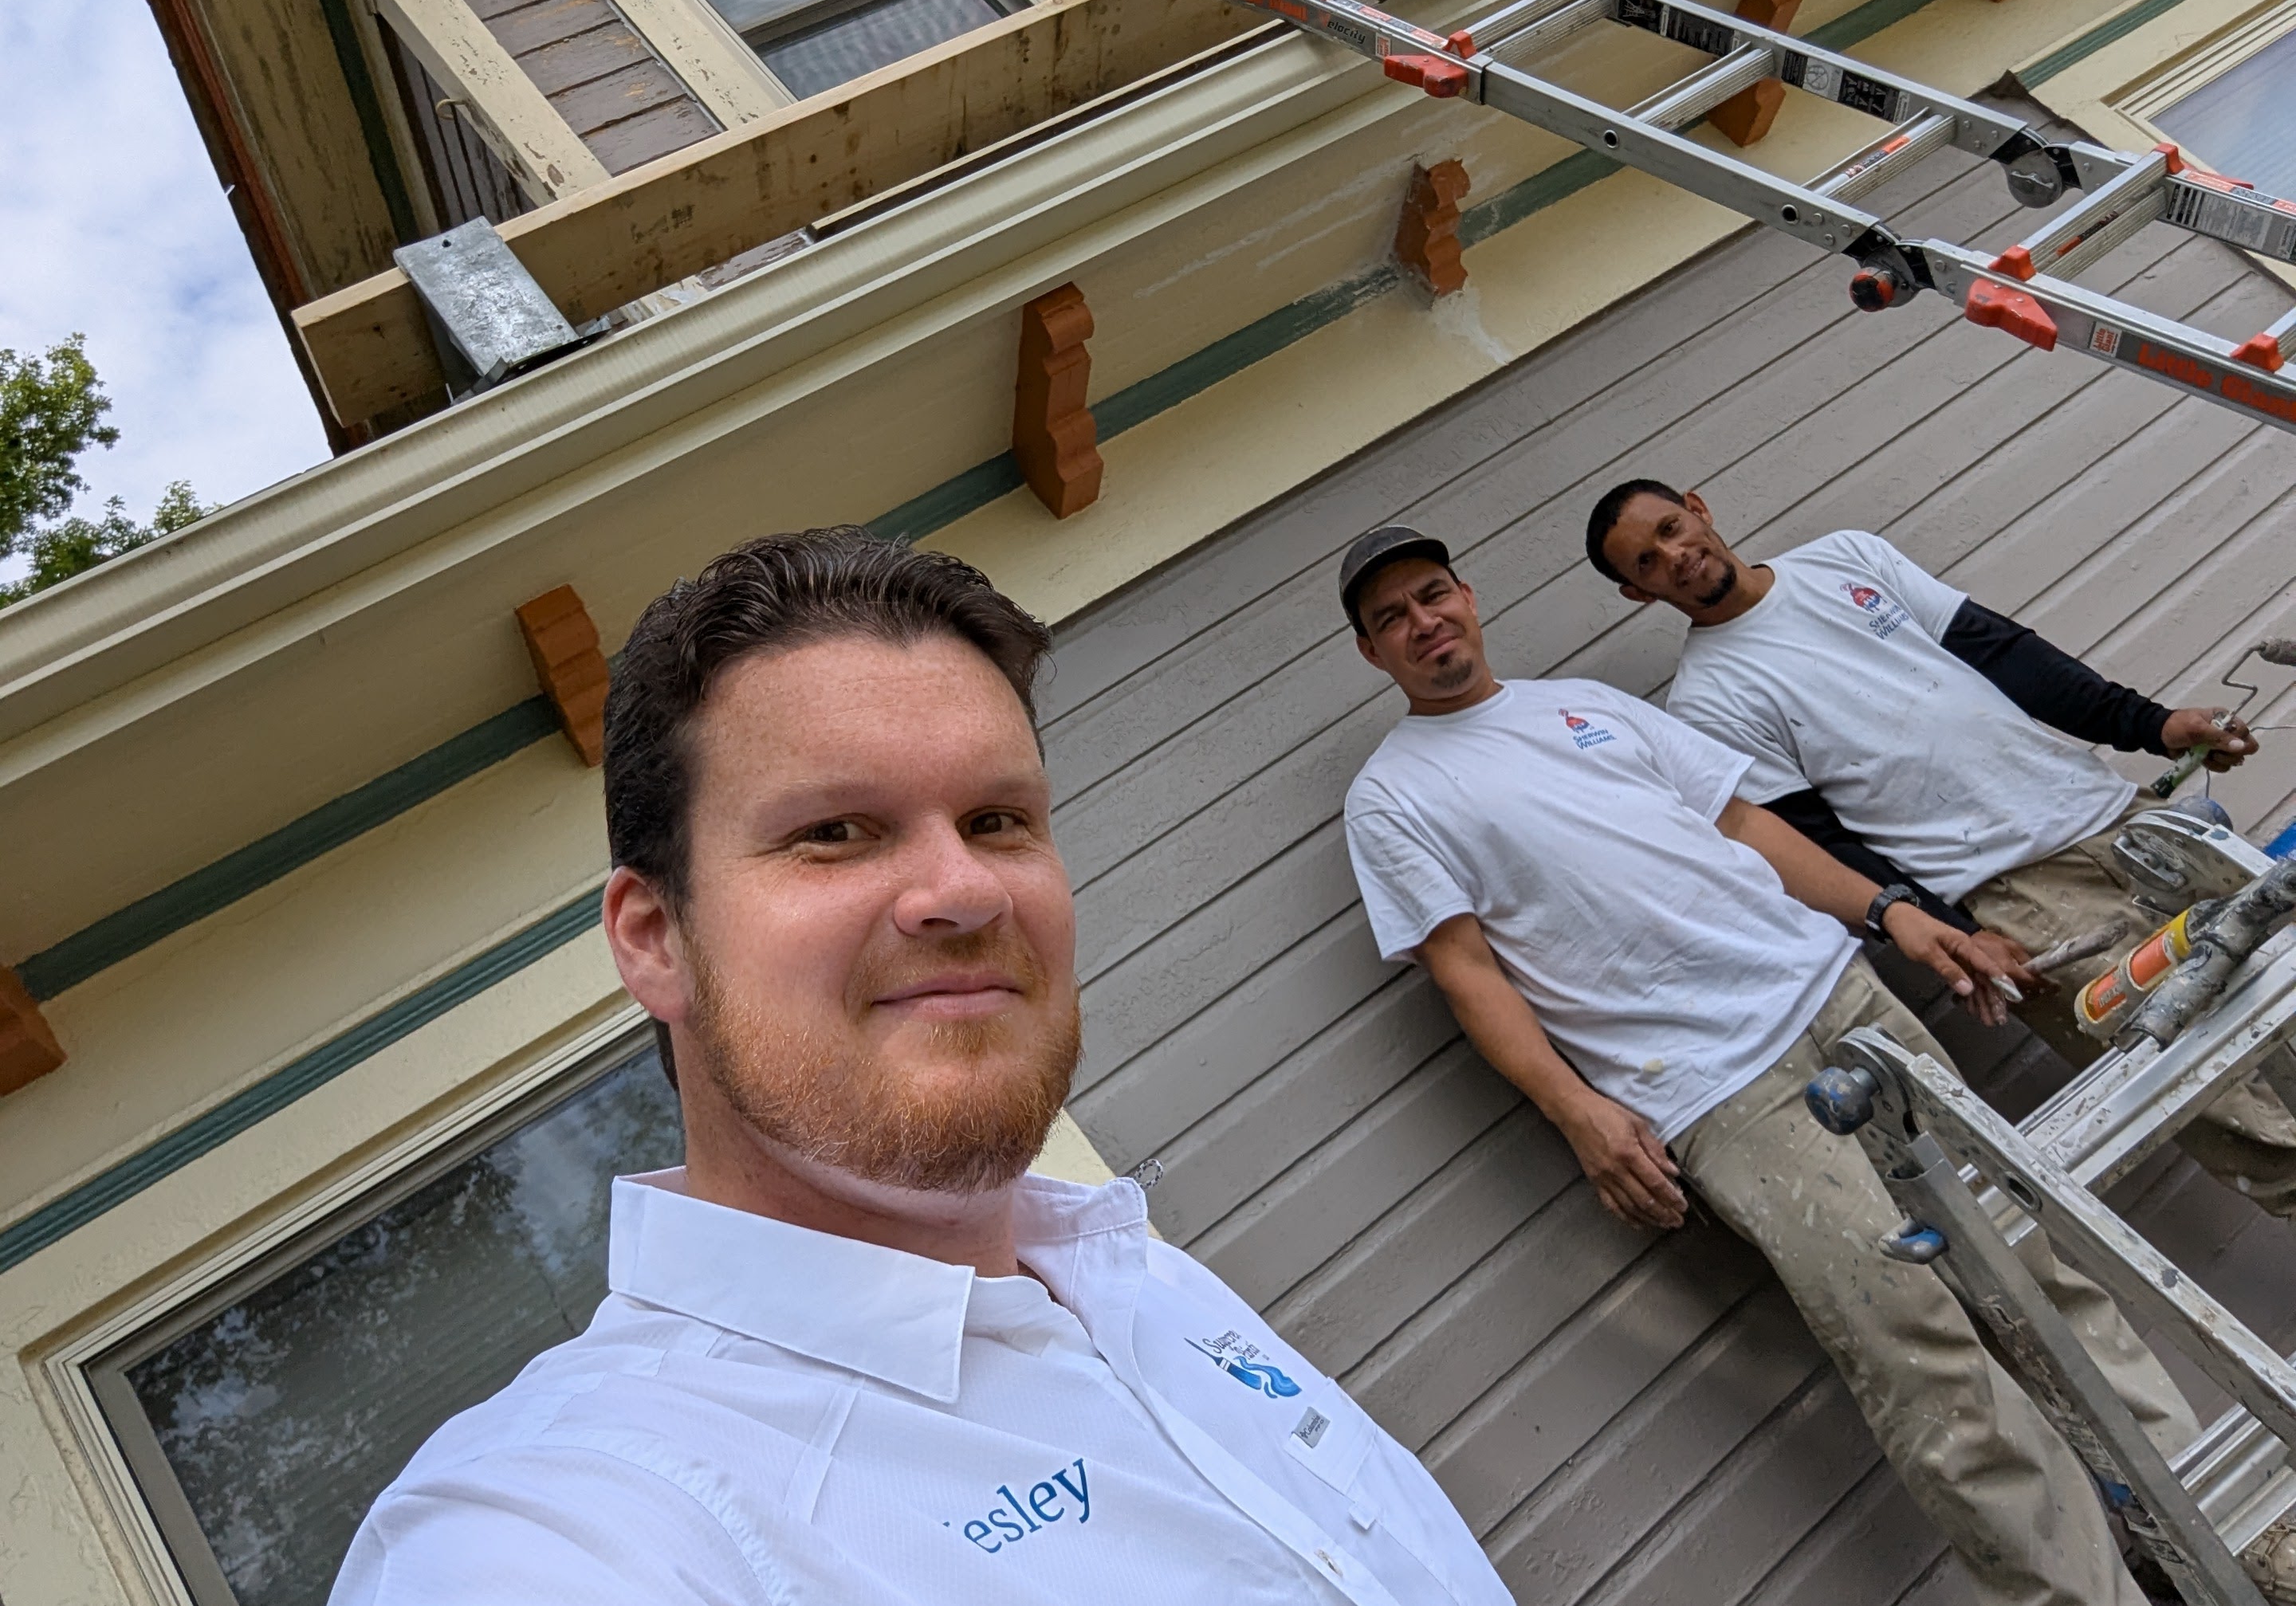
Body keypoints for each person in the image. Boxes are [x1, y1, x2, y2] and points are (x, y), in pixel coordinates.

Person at [332, 528, 1512, 1606]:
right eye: (834, 830)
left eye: (999, 819)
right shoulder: (552, 1531)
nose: (965, 889)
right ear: (655, 939)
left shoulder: (1136, 1275)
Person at [1336, 520, 2205, 1606]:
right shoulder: (1393, 797)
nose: (1422, 622)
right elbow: (1466, 972)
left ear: (1467, 596)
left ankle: (2226, 1521)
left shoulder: (1586, 706)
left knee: (2032, 1256)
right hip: (1717, 1090)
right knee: (1919, 1348)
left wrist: (1892, 912)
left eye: (1432, 594)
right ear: (1373, 652)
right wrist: (1578, 1111)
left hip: (1846, 1002)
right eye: (1391, 618)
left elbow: (1745, 821)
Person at [1583, 480, 2295, 1230]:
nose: (1674, 555)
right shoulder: (1707, 701)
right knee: (2224, 1100)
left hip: (2120, 818)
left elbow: (2005, 655)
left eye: (1671, 527)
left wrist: (2150, 724)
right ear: (1638, 592)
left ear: (1698, 507)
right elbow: (1821, 844)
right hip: (2022, 904)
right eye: (1647, 561)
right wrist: (1955, 931)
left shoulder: (1845, 558)